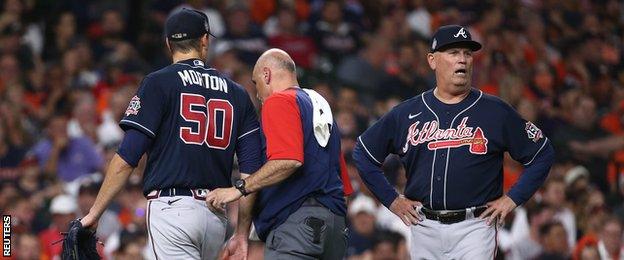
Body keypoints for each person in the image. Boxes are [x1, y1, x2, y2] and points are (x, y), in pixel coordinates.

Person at [352, 25, 555, 259]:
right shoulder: (407, 112)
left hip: (475, 226)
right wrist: (392, 200)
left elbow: (542, 153)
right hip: (423, 225)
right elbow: (363, 153)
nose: (463, 60)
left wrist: (512, 199)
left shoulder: (495, 111)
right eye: (454, 53)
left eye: (467, 54)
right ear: (432, 60)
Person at [78, 8, 263, 259]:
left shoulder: (159, 82)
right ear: (204, 40)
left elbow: (127, 157)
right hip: (216, 217)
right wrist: (241, 233)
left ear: (168, 43)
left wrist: (94, 213)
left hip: (172, 210)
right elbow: (250, 172)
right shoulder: (238, 93)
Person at [206, 48, 353, 259]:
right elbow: (344, 185)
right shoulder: (320, 105)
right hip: (335, 228)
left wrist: (238, 189)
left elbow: (289, 160)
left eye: (257, 84)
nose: (257, 94)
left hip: (298, 227)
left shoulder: (279, 101)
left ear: (266, 74)